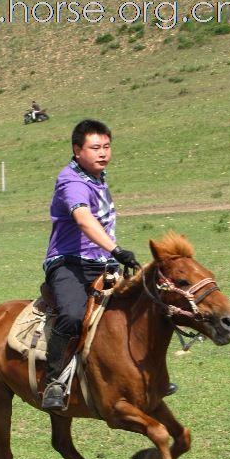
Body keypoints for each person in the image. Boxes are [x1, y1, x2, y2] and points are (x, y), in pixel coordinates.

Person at [42, 119, 176, 410]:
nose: (102, 153)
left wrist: (112, 255)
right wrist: (116, 250)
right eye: (94, 148)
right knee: (73, 316)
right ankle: (54, 381)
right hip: (68, 264)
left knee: (147, 306)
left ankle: (152, 376)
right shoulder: (71, 180)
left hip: (101, 262)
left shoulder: (98, 176)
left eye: (106, 147)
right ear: (78, 150)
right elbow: (83, 219)